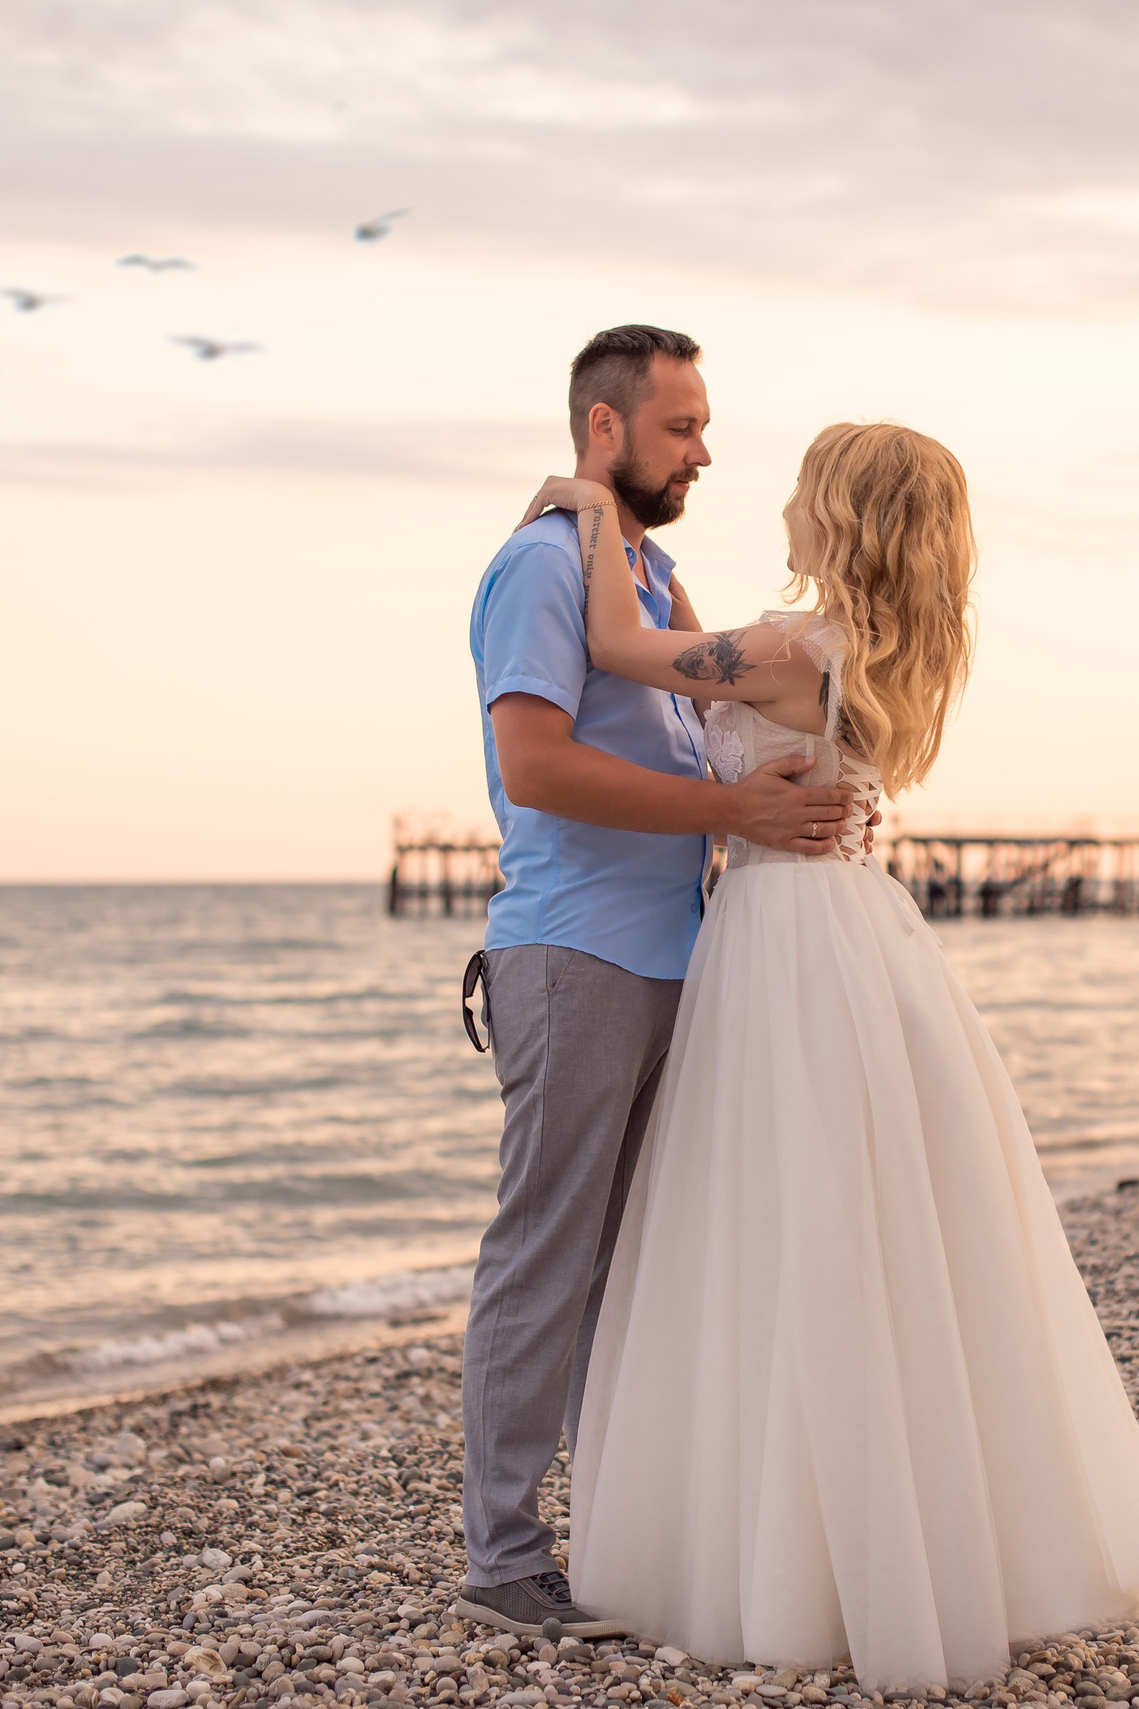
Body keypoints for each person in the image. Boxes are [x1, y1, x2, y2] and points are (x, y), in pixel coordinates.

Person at [517, 425, 1139, 1692]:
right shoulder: (865, 650)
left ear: (836, 511)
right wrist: (660, 575)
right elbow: (702, 658)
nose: (774, 491)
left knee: (780, 1219)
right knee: (865, 1225)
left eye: (799, 480)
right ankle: (893, 1536)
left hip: (781, 938)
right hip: (857, 927)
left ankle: (795, 1550)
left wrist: (596, 513)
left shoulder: (789, 650)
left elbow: (619, 650)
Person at [457, 326, 861, 1640]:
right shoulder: (539, 564)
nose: (702, 450)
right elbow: (537, 766)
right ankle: (503, 1553)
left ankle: (622, 1536)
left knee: (634, 1270)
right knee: (550, 1256)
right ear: (603, 433)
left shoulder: (649, 572)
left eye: (701, 425)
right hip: (577, 953)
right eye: (679, 427)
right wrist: (728, 806)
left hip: (677, 958)